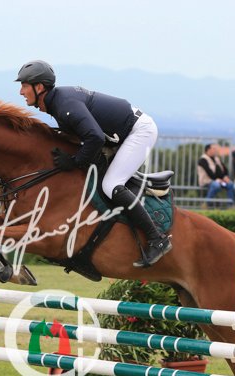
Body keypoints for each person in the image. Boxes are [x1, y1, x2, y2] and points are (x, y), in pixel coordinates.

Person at [15, 60, 171, 267]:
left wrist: (75, 162)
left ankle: (157, 239)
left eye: (24, 85)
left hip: (139, 132)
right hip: (121, 133)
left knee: (111, 185)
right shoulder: (57, 103)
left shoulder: (65, 105)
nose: (21, 91)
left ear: (39, 87)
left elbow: (95, 137)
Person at [197, 143, 233, 208]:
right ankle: (206, 204)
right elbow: (209, 173)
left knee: (230, 184)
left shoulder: (216, 159)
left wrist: (225, 177)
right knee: (216, 185)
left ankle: (230, 206)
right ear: (208, 150)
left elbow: (224, 169)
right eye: (213, 149)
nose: (215, 150)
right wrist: (217, 180)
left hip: (220, 181)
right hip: (207, 182)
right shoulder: (203, 160)